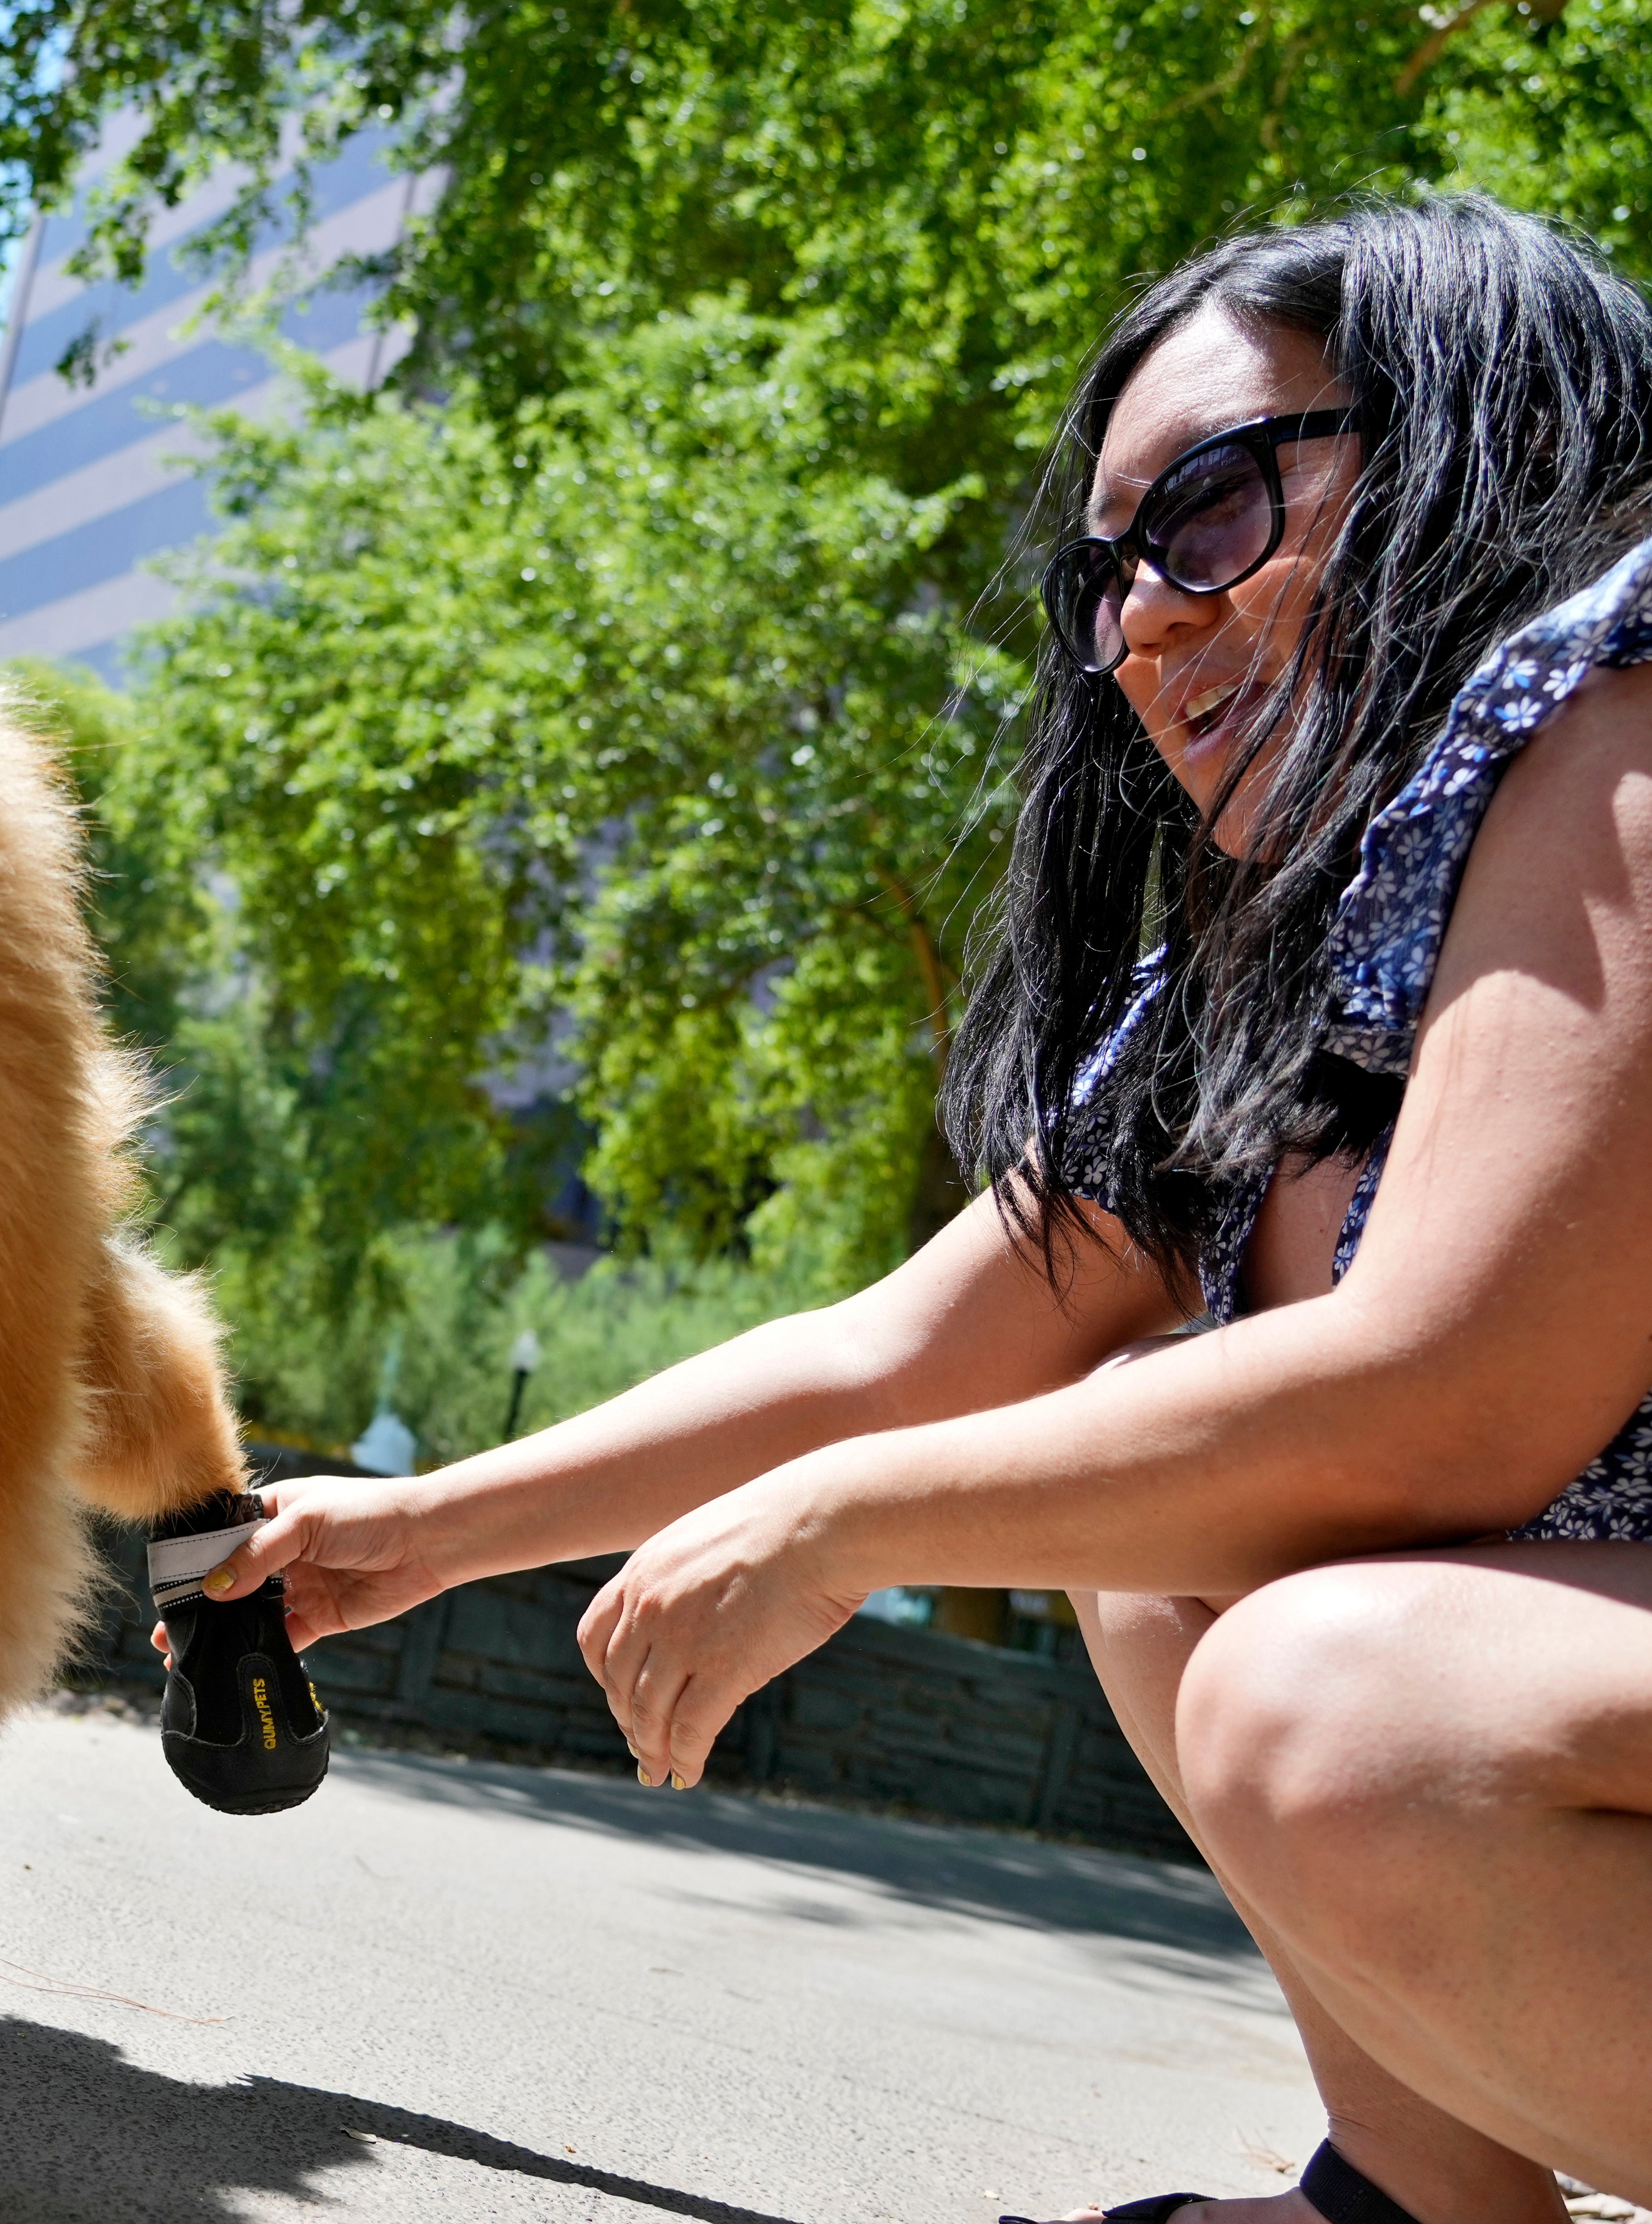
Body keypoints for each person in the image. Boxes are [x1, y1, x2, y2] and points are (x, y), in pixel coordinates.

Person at [183, 195, 1652, 2223]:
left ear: (1455, 443)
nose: (1142, 619)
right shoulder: (1265, 964)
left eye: (1213, 510)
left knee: (1336, 1704)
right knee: (1158, 1511)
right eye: (1110, 571)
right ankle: (1412, 2201)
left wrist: (847, 1525)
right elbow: (897, 1356)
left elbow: (1458, 1394)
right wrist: (412, 1539)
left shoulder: (1621, 717)